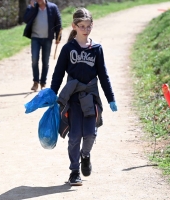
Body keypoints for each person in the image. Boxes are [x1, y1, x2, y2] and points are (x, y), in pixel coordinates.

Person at [50, 7, 118, 186]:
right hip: (72, 98)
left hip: (90, 97)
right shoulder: (67, 49)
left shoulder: (96, 49)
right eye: (82, 26)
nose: (85, 29)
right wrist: (52, 93)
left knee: (90, 133)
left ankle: (85, 155)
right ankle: (74, 171)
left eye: (89, 26)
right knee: (74, 137)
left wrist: (110, 98)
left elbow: (103, 75)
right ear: (74, 26)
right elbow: (58, 73)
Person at [23, 0, 62, 91]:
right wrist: (32, 8)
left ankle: (43, 82)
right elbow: (26, 19)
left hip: (48, 38)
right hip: (35, 37)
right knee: (34, 60)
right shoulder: (32, 7)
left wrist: (58, 37)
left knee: (45, 61)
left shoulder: (53, 7)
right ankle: (36, 82)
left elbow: (58, 23)